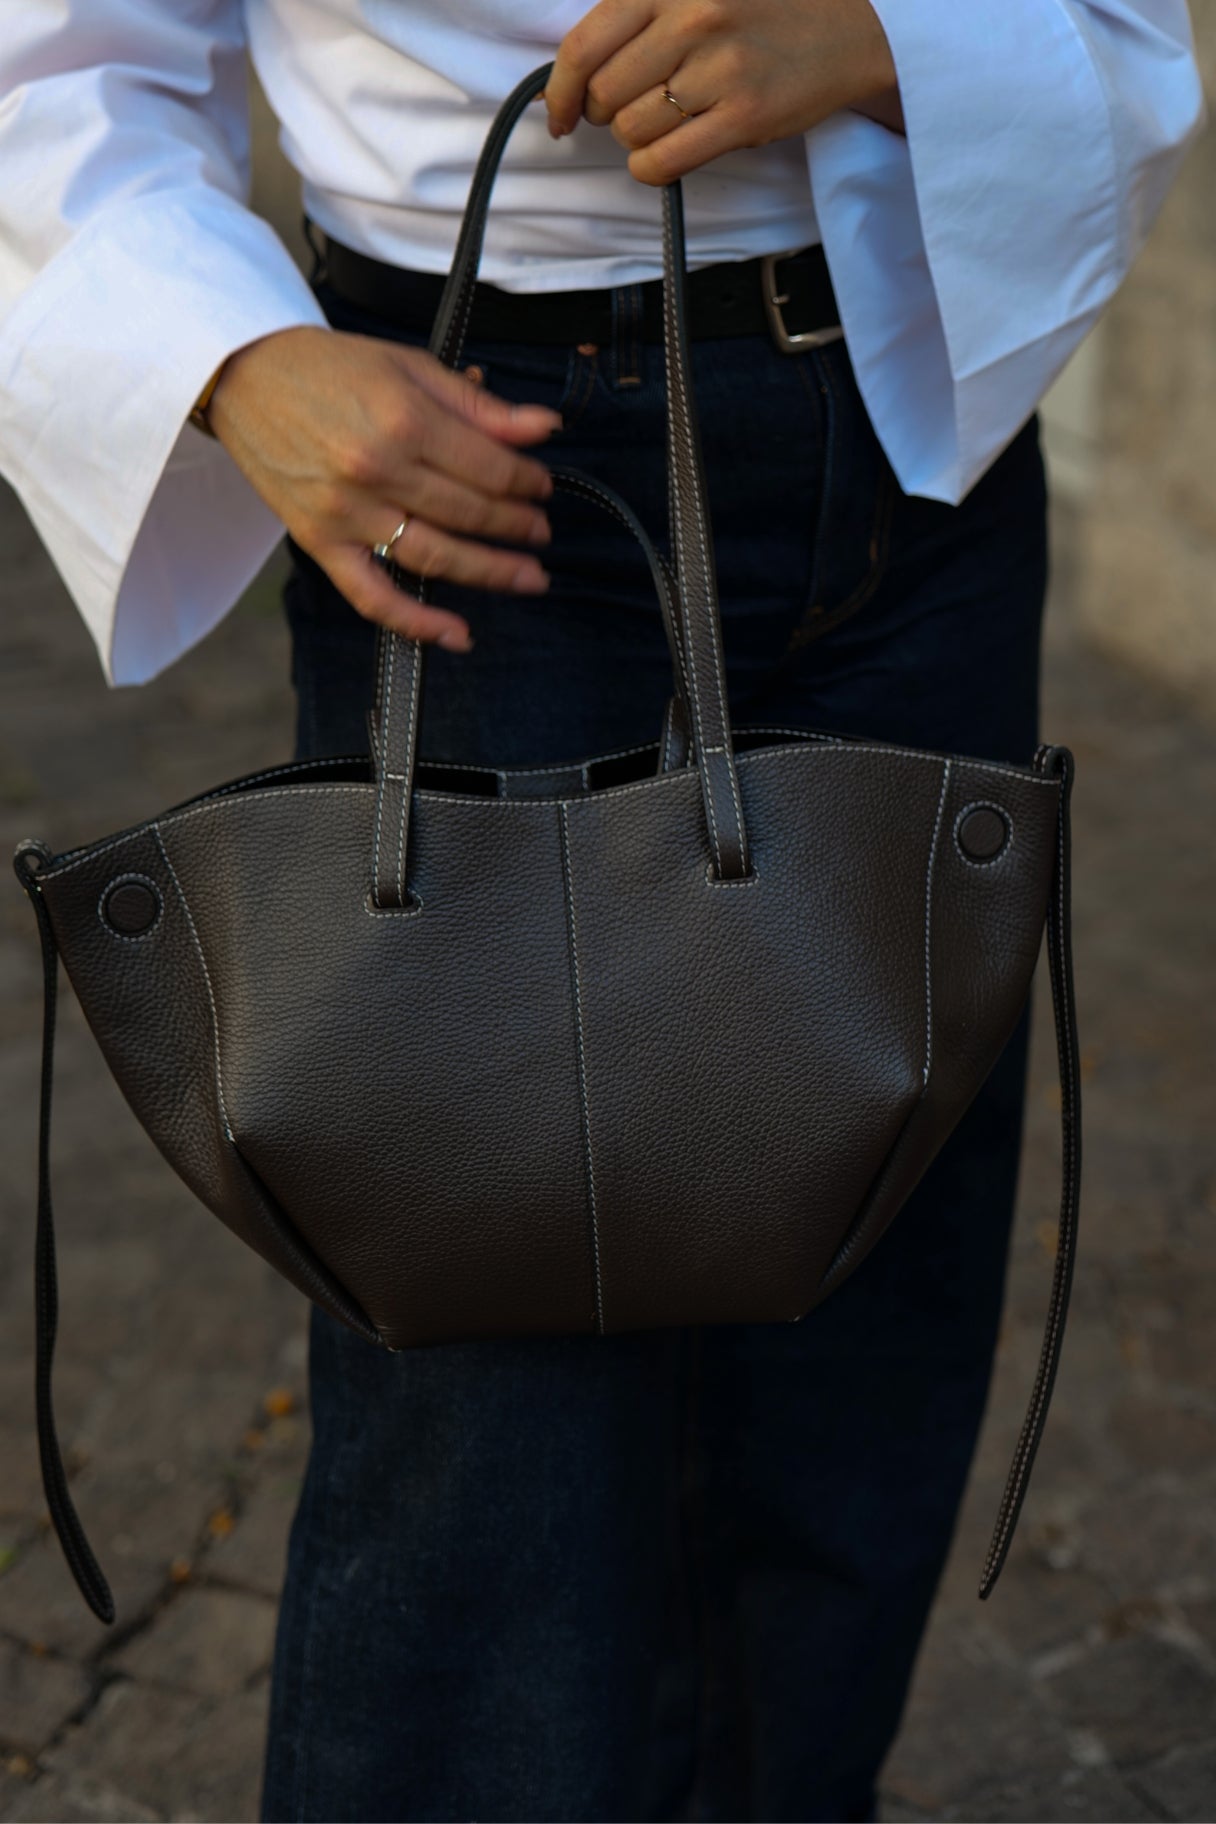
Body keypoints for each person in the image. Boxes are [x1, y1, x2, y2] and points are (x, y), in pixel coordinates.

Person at [0, 4, 1202, 1819]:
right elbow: (61, 57)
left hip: (918, 419)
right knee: (492, 1440)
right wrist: (233, 359)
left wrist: (894, 30)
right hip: (470, 460)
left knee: (858, 1364)